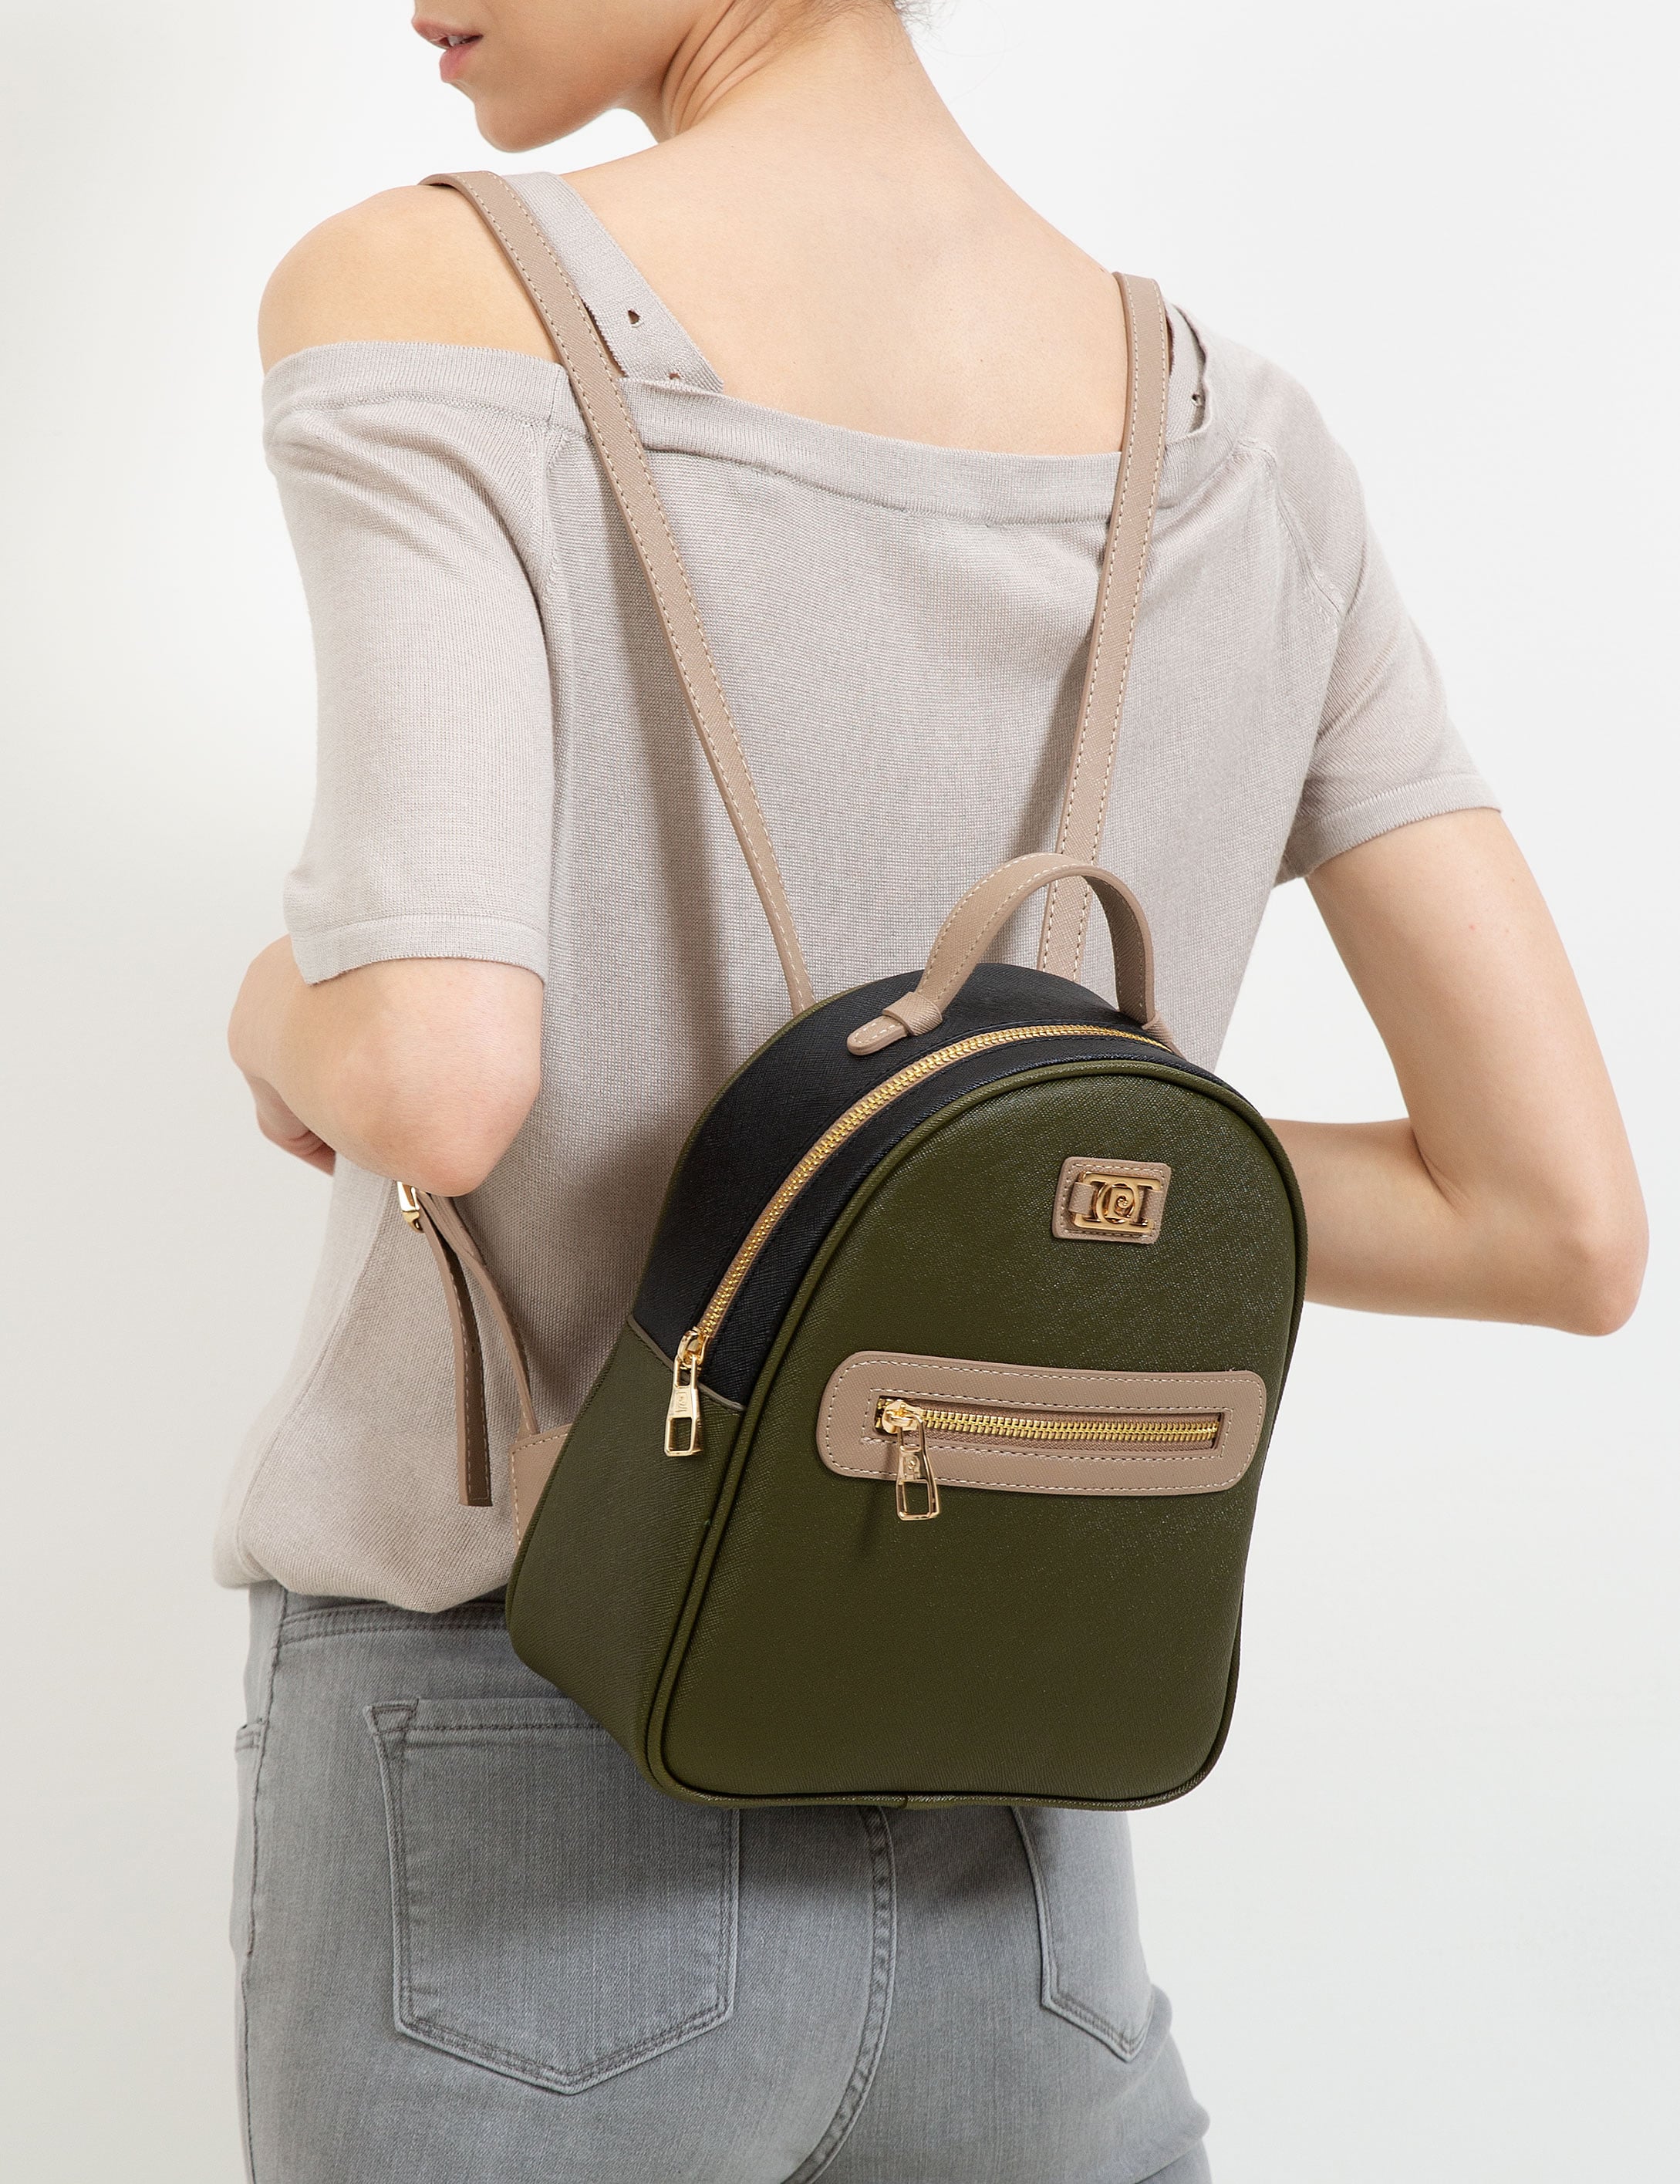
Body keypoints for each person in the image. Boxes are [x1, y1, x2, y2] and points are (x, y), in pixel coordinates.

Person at [222, 3, 1647, 2178]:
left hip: (528, 1761)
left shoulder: (433, 287)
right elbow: (1548, 1225)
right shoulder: (1244, 448)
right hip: (1023, 1793)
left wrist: (270, 1009)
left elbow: (431, 1076)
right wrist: (1011, 1175)